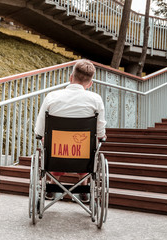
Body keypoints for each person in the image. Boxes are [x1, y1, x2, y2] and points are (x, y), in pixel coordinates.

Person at [34, 59, 107, 202]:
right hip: (83, 156)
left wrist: (41, 136)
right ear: (90, 84)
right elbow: (100, 132)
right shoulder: (96, 100)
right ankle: (84, 189)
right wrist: (102, 136)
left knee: (55, 143)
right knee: (87, 145)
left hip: (56, 155)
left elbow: (39, 129)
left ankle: (52, 185)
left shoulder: (52, 97)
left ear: (70, 77)